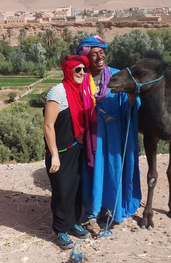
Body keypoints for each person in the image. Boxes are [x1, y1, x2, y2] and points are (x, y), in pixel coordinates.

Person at [77, 35, 141, 236]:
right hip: (92, 135)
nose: (99, 56)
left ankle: (113, 209)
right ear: (86, 58)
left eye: (102, 52)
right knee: (93, 172)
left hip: (115, 134)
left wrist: (132, 99)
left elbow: (131, 106)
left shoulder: (117, 76)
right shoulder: (81, 78)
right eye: (94, 53)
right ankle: (91, 214)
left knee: (114, 170)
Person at [43, 55, 92, 250]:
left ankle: (73, 223)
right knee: (62, 191)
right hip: (60, 152)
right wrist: (54, 153)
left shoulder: (82, 92)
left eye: (84, 69)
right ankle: (61, 230)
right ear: (68, 70)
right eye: (77, 69)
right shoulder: (58, 92)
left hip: (76, 148)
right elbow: (48, 125)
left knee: (76, 189)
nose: (81, 73)